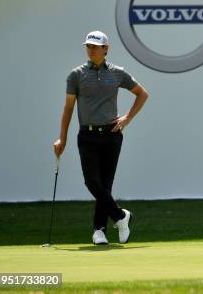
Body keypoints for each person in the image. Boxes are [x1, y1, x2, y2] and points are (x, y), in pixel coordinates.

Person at [53, 30, 149, 245]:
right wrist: (62, 138)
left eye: (96, 46)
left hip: (111, 135)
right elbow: (68, 109)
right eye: (88, 46)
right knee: (92, 182)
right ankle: (121, 216)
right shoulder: (76, 75)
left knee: (105, 185)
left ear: (106, 49)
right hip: (87, 135)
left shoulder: (117, 73)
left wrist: (126, 118)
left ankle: (99, 231)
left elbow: (142, 94)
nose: (91, 50)